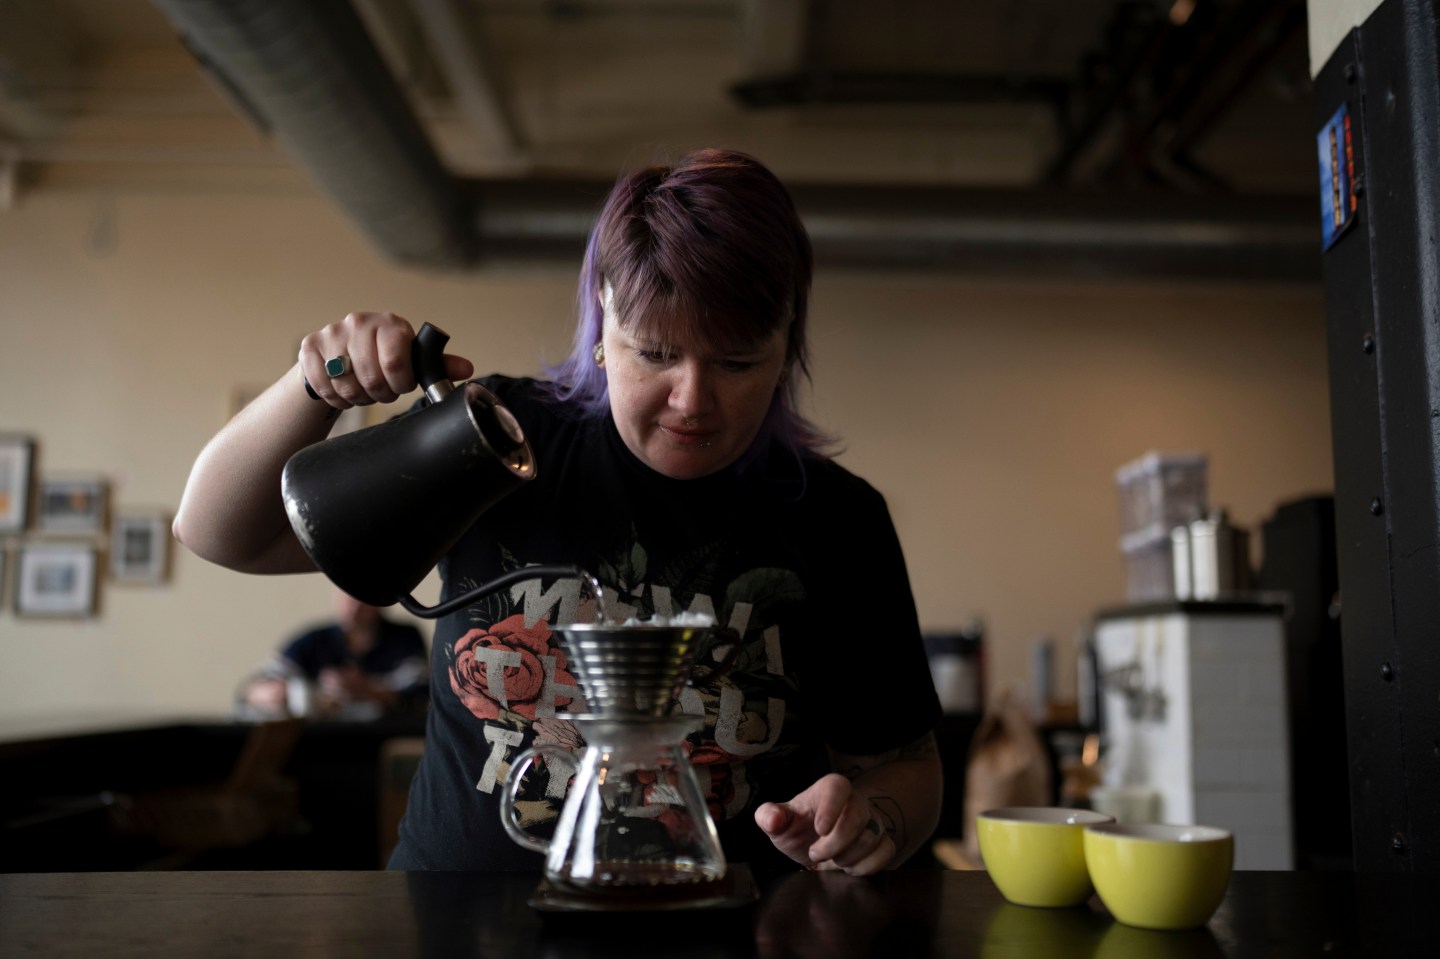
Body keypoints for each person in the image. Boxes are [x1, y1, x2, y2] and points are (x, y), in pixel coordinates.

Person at [174, 148, 943, 876]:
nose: (692, 399)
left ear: (787, 344)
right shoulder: (497, 438)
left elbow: (907, 768)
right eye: (656, 353)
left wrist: (868, 820)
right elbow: (217, 532)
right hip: (450, 928)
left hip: (722, 926)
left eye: (737, 361)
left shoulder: (838, 518)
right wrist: (317, 385)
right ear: (603, 321)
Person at [236, 587, 429, 721]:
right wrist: (267, 693)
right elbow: (250, 690)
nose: (353, 606)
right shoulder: (313, 640)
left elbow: (421, 695)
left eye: (361, 598)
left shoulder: (405, 638)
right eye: (345, 596)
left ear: (381, 601)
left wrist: (369, 691)